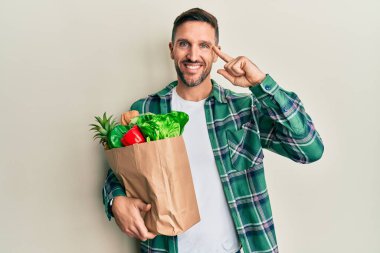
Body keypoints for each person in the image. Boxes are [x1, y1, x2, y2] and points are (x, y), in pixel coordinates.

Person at [102, 7, 324, 253]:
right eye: (184, 44)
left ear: (216, 52)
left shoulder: (243, 110)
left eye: (204, 45)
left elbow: (309, 149)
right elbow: (123, 172)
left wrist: (261, 84)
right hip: (165, 247)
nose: (193, 55)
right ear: (171, 50)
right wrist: (116, 199)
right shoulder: (145, 110)